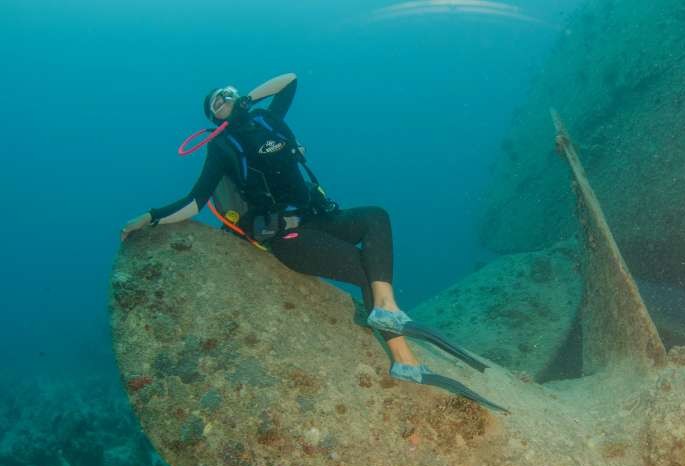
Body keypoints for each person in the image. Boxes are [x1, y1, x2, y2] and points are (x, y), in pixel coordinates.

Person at [122, 74, 505, 412]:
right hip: (287, 237)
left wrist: (249, 99)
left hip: (318, 218)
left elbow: (290, 80)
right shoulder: (221, 148)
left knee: (376, 217)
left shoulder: (269, 119)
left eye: (228, 93)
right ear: (213, 119)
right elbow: (195, 202)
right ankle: (403, 358)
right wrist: (151, 216)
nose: (225, 100)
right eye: (216, 103)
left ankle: (387, 309)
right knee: (361, 269)